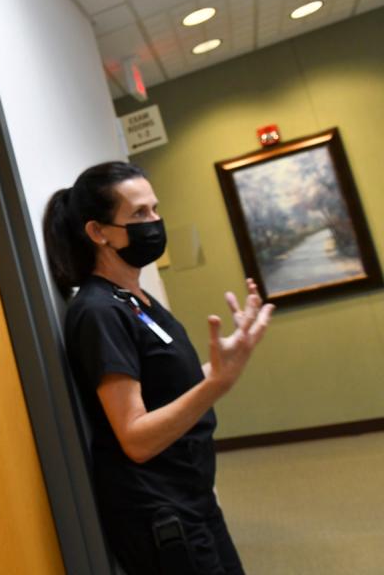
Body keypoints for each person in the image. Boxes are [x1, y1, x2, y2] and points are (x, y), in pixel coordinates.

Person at [42, 162, 274, 575]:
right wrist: (217, 384)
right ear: (98, 232)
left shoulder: (133, 298)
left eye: (155, 209)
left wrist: (226, 361)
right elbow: (135, 437)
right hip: (158, 513)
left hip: (192, 497)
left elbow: (169, 390)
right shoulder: (98, 311)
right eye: (138, 214)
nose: (154, 222)